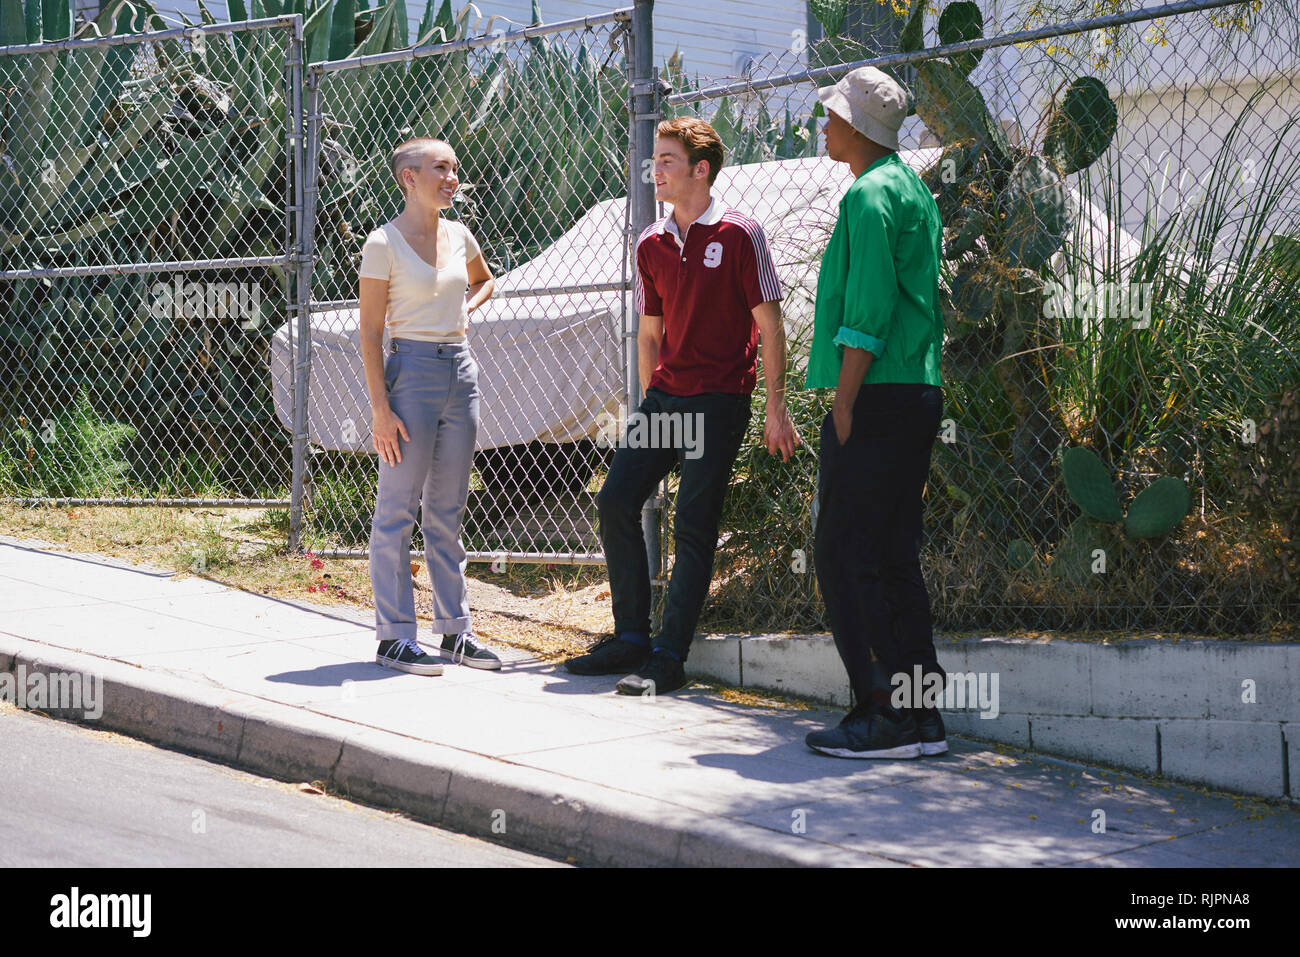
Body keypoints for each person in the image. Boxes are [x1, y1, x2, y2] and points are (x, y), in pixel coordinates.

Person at [563, 117, 800, 695]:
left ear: (700, 169)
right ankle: (631, 639)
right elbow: (649, 334)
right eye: (655, 160)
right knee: (616, 499)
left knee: (695, 525)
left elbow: (770, 326)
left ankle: (668, 658)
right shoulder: (649, 242)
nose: (656, 170)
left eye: (667, 160)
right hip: (666, 399)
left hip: (721, 400)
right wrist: (650, 406)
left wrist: (776, 407)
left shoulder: (741, 234)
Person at [803, 67, 949, 758]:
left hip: (877, 394)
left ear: (859, 128)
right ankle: (922, 714)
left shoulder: (867, 196)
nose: (823, 125)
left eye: (832, 116)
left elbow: (868, 313)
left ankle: (881, 712)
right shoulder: (910, 187)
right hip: (915, 392)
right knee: (892, 554)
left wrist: (843, 402)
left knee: (841, 551)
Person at [359, 136, 501, 675]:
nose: (451, 178)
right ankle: (394, 636)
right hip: (409, 375)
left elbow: (486, 281)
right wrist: (380, 409)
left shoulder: (459, 235)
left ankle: (455, 633)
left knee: (446, 509)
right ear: (408, 178)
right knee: (397, 509)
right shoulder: (383, 243)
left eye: (455, 168)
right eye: (440, 168)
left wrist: (466, 304)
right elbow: (369, 333)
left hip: (461, 372)